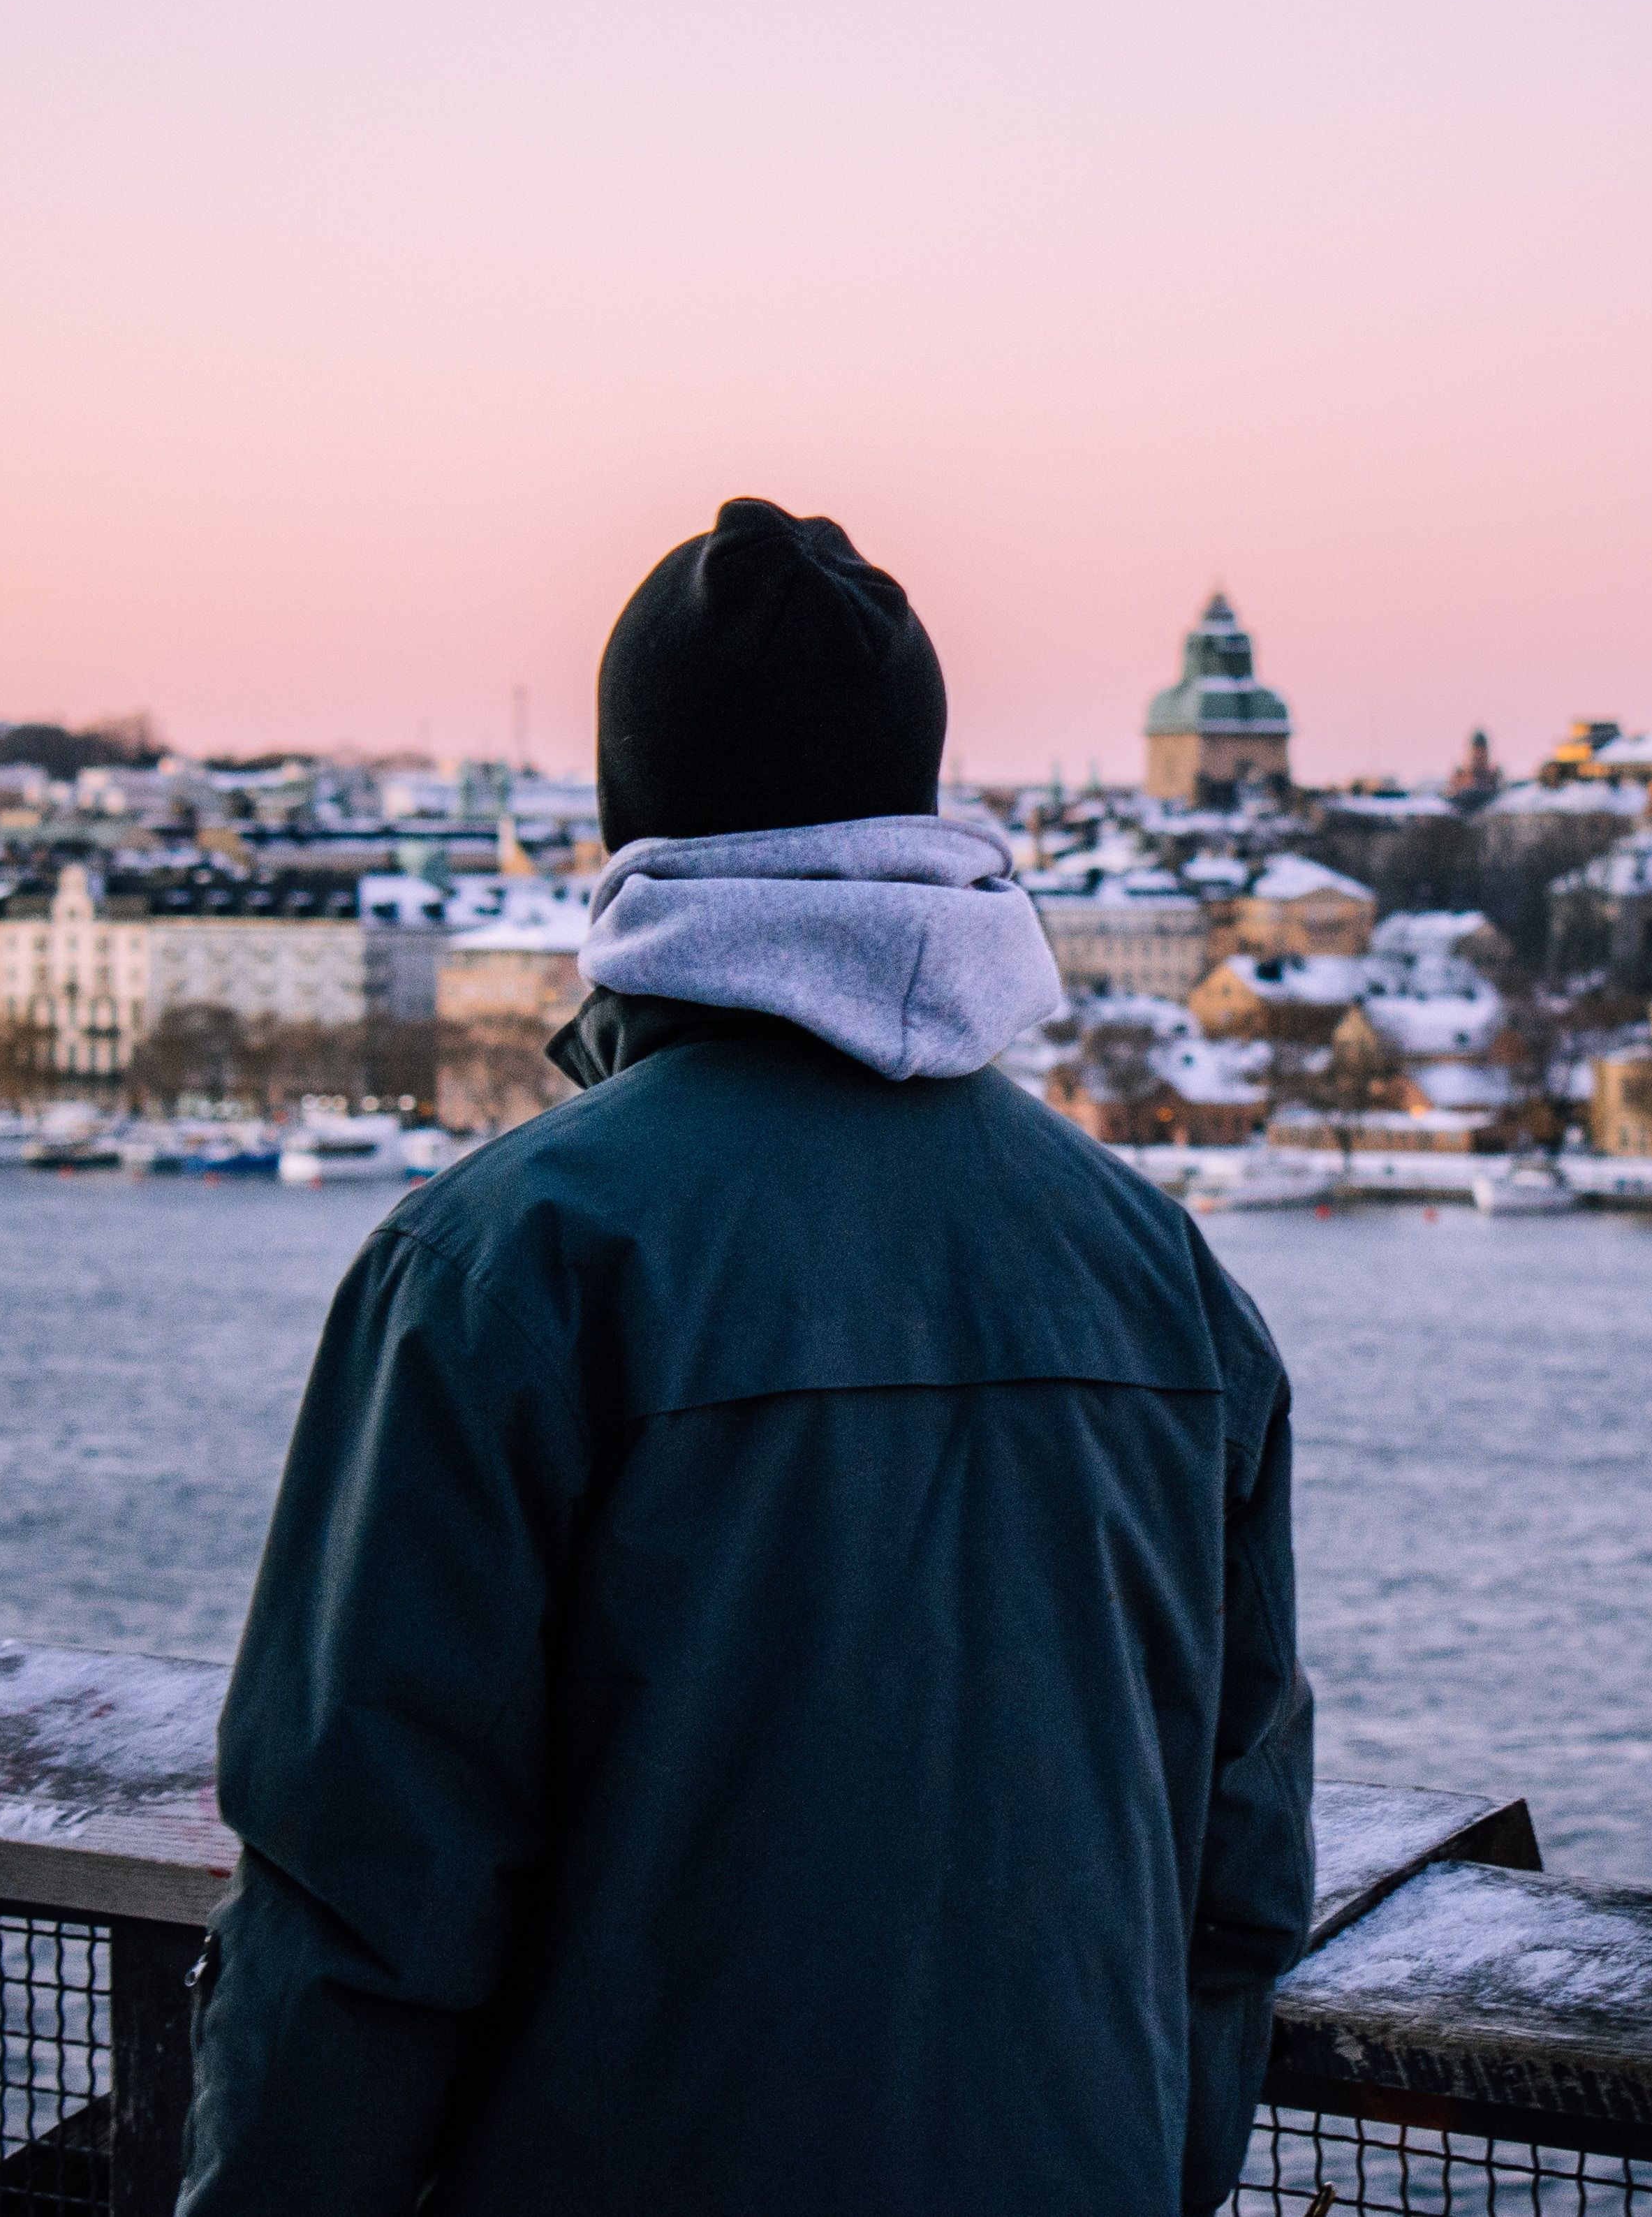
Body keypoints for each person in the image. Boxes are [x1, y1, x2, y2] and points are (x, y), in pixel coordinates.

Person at [180, 499, 1314, 2216]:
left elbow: (363, 1899)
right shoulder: (1155, 1269)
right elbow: (1235, 1882)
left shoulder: (504, 1259)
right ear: (915, 806)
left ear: (637, 818)